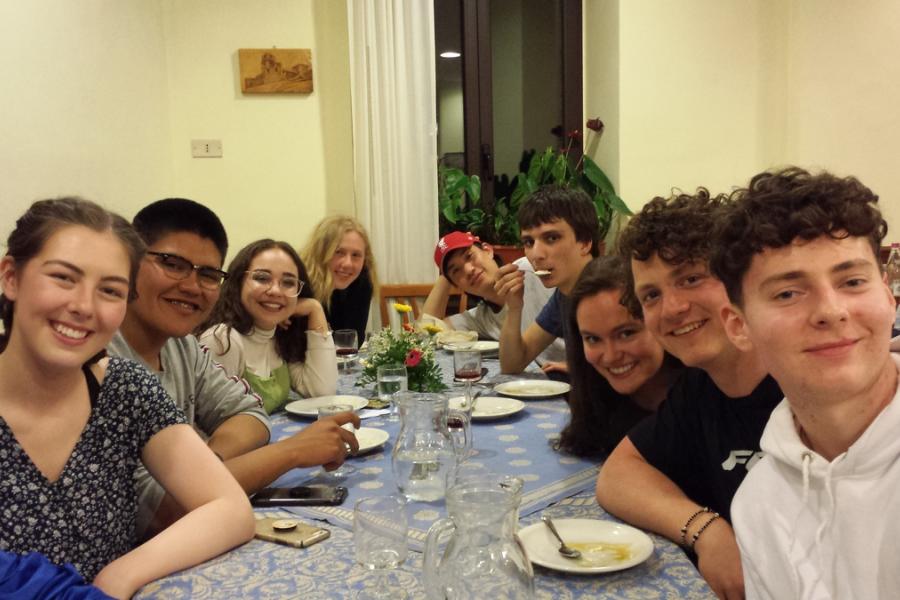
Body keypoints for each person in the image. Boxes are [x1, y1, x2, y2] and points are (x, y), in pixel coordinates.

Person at [0, 197, 253, 598]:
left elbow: (231, 509)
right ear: (11, 277)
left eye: (110, 290)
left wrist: (119, 575)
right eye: (64, 278)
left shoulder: (123, 389)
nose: (84, 307)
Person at [107, 198, 359, 539]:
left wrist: (200, 468)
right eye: (172, 263)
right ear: (130, 262)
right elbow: (158, 508)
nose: (191, 285)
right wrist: (294, 451)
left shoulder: (182, 346)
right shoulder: (102, 364)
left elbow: (250, 413)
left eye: (208, 274)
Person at [711, 167, 900, 599]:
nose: (831, 311)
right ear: (739, 327)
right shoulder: (760, 504)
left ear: (888, 297)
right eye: (788, 293)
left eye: (852, 281)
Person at [595, 189, 783, 600]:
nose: (672, 308)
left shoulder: (802, 380)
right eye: (651, 295)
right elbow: (618, 474)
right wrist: (707, 530)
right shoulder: (700, 386)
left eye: (691, 278)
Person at [559, 255, 682, 457]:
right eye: (592, 339)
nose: (610, 356)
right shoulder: (596, 401)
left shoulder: (704, 401)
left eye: (626, 333)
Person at [199, 239, 338, 414]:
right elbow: (215, 424)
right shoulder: (223, 340)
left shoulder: (279, 334)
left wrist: (315, 308)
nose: (275, 291)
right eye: (262, 278)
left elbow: (321, 393)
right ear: (238, 282)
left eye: (288, 282)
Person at [494, 185, 599, 373]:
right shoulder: (565, 294)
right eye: (528, 242)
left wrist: (580, 370)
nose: (536, 255)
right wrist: (514, 308)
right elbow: (512, 364)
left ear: (585, 242)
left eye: (551, 238)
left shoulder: (610, 291)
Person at [423, 231, 565, 368]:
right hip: (541, 379)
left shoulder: (530, 271)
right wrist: (445, 277)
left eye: (469, 256)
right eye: (456, 271)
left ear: (488, 250)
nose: (468, 269)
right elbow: (425, 332)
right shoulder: (481, 318)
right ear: (456, 285)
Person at [300, 215, 379, 342]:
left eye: (356, 255)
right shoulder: (298, 284)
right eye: (339, 252)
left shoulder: (362, 281)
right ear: (320, 252)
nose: (348, 263)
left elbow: (350, 343)